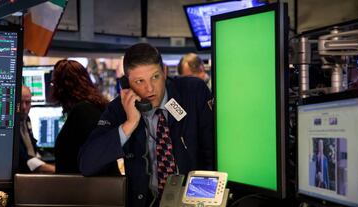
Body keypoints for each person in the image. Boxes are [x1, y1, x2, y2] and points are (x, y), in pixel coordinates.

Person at [79, 43, 214, 207]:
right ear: (126, 83)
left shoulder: (192, 92)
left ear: (164, 72)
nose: (149, 88)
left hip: (193, 201)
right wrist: (129, 124)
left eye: (155, 77)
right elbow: (87, 164)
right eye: (139, 81)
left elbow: (212, 154)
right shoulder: (119, 109)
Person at [51, 59, 109, 174]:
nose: (51, 88)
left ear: (63, 86)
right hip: (87, 188)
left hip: (86, 189)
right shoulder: (89, 109)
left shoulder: (83, 112)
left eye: (53, 84)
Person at [18, 85, 55, 173]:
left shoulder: (26, 119)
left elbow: (30, 149)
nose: (24, 107)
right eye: (20, 102)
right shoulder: (9, 126)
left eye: (27, 102)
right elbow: (22, 157)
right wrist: (52, 169)